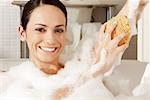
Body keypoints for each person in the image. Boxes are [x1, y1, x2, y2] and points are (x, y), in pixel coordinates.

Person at [0, 0, 148, 100]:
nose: (51, 39)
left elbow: (130, 13)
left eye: (58, 30)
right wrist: (97, 72)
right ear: (22, 33)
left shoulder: (81, 63)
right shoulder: (11, 82)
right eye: (40, 29)